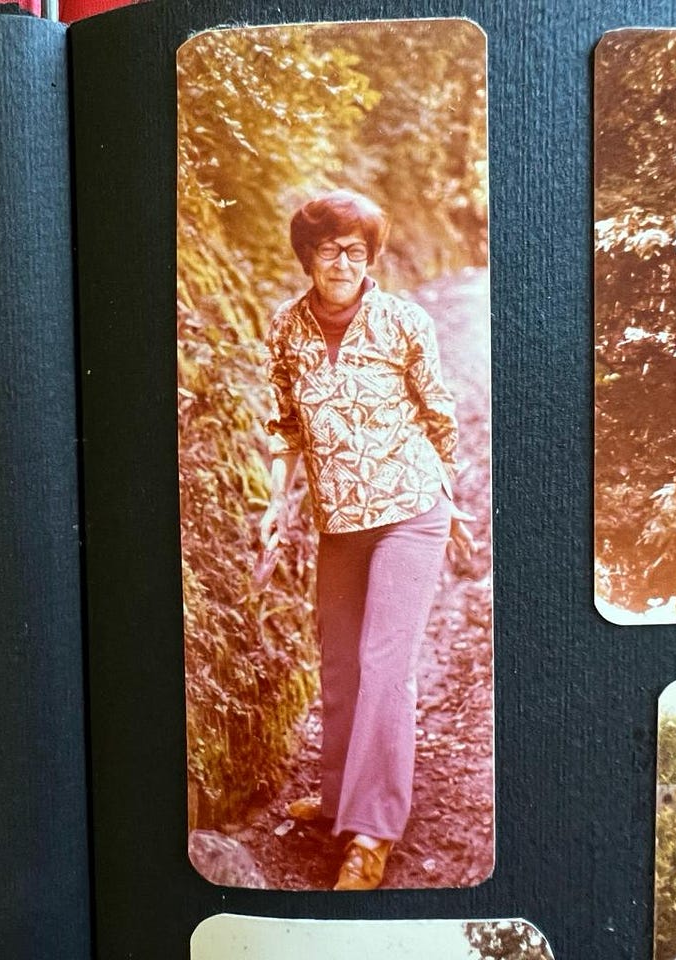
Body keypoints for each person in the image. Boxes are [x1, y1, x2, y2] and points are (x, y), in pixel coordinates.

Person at [260, 189, 474, 890]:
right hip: (339, 522)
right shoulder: (286, 332)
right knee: (342, 666)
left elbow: (440, 418)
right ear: (307, 255)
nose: (344, 262)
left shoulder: (403, 322)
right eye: (330, 249)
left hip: (411, 511)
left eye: (357, 250)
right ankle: (339, 798)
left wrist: (454, 500)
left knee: (386, 665)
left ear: (371, 257)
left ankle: (372, 831)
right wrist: (274, 503)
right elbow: (287, 426)